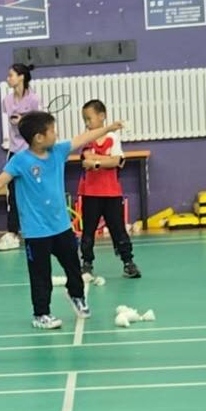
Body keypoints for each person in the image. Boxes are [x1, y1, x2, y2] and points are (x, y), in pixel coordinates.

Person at [0, 111, 124, 330]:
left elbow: (84, 138)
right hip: (36, 231)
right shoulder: (20, 161)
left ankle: (76, 295)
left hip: (61, 226)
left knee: (73, 267)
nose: (56, 133)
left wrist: (107, 128)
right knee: (40, 275)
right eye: (52, 130)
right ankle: (41, 314)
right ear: (38, 138)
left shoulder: (58, 151)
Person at [75, 100, 139, 279]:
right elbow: (87, 159)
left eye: (89, 118)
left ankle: (128, 262)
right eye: (84, 120)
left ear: (102, 116)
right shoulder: (87, 138)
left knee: (118, 229)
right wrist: (106, 160)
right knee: (88, 231)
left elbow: (117, 161)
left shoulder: (113, 138)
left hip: (111, 192)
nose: (87, 123)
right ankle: (87, 263)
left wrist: (97, 162)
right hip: (90, 193)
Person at [0, 63, 42, 251]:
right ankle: (12, 233)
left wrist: (23, 120)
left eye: (11, 75)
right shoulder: (6, 100)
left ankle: (39, 229)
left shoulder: (34, 99)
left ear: (21, 77)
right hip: (15, 152)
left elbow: (39, 125)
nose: (8, 78)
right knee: (13, 194)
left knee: (34, 192)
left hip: (31, 152)